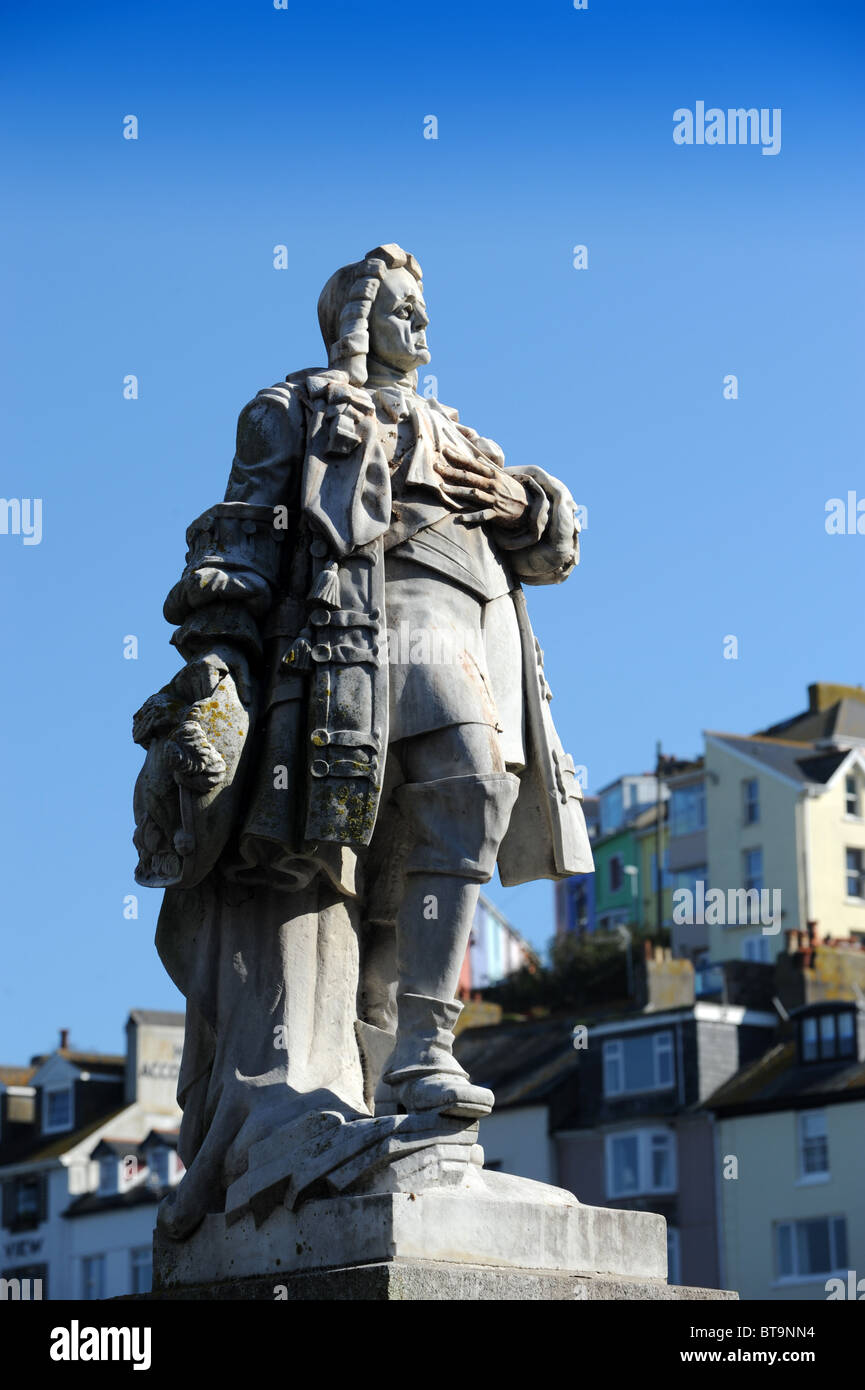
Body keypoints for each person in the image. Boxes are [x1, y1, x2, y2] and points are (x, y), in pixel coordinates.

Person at [133, 243, 592, 1235]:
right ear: (353, 318)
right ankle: (396, 1061)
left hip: (476, 631)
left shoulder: (465, 431)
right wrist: (216, 666)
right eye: (401, 308)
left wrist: (522, 501)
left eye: (426, 310)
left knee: (426, 853)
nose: (421, 326)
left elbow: (555, 543)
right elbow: (236, 539)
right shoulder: (289, 404)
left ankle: (414, 1055)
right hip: (368, 631)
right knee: (404, 826)